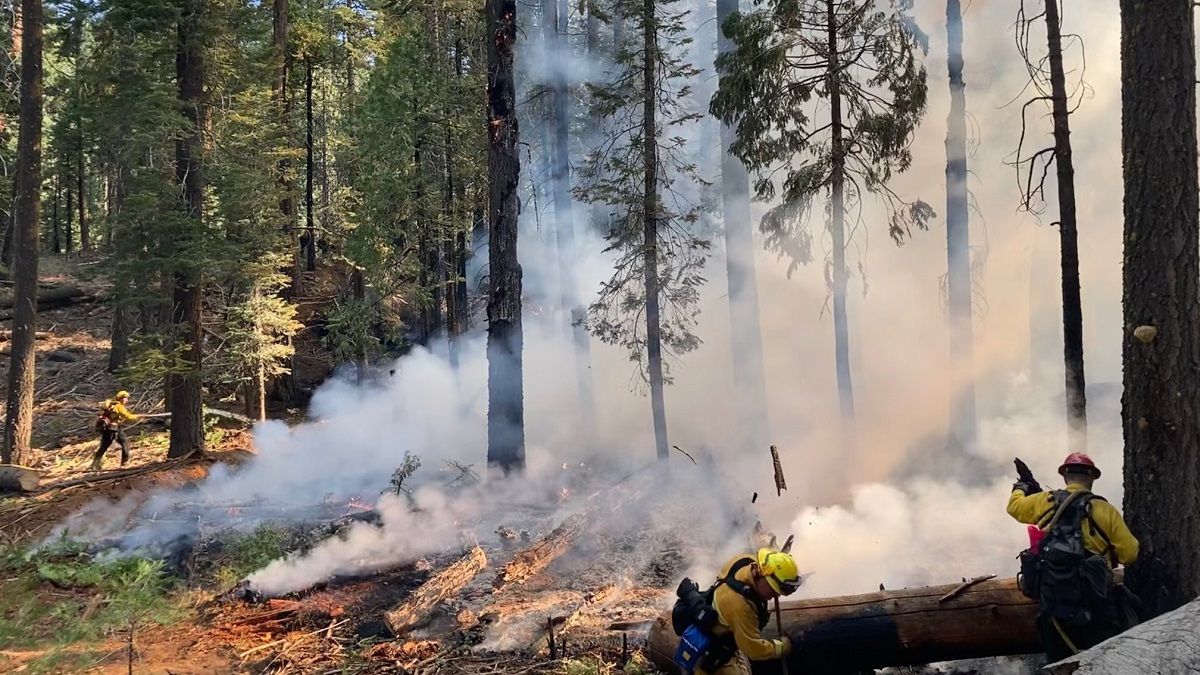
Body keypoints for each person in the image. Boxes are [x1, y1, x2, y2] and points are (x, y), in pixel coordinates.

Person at [1007, 453, 1139, 661]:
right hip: (1097, 605)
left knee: (1059, 665)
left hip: (1054, 606)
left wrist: (1021, 487)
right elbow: (1130, 554)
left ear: (1065, 476)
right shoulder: (1104, 510)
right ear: (1092, 477)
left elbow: (1014, 508)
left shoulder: (1045, 501)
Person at [695, 548, 801, 675]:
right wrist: (782, 647)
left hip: (724, 623)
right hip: (712, 649)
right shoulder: (740, 606)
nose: (775, 596)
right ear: (763, 577)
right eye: (773, 590)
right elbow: (754, 650)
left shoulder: (747, 561)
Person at [91, 390, 139, 470]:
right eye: (126, 398)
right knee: (124, 442)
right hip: (113, 429)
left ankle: (95, 463)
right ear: (121, 398)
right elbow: (127, 415)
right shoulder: (119, 406)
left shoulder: (112, 405)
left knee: (104, 446)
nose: (127, 400)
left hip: (109, 428)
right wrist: (136, 417)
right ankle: (125, 462)